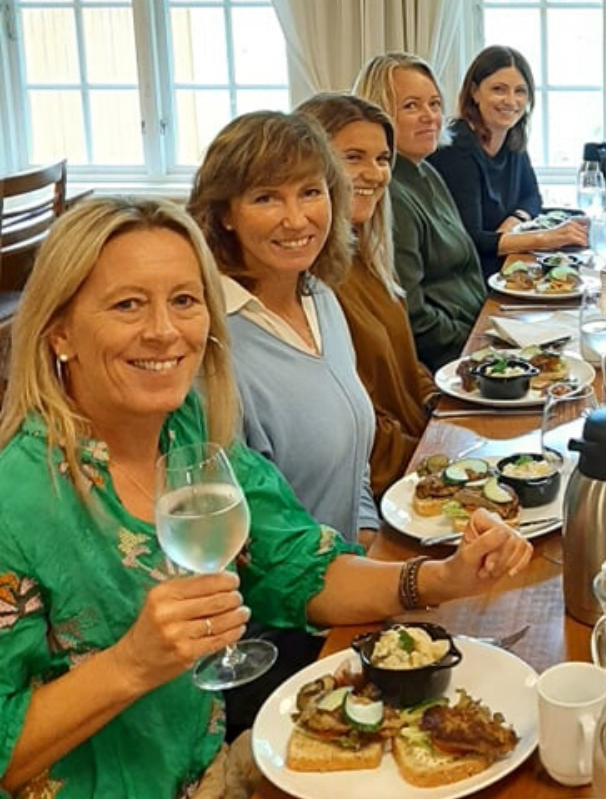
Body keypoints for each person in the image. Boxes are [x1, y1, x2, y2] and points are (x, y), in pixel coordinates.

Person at [0, 197, 533, 798]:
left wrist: (441, 578)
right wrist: (131, 664)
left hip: (211, 772)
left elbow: (296, 565)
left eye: (184, 300)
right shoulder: (15, 500)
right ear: (60, 332)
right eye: (128, 304)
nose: (165, 331)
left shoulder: (188, 429)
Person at [188, 110, 379, 547]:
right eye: (266, 198)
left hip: (354, 565)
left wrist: (369, 535)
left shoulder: (320, 297)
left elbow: (354, 461)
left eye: (310, 192)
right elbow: (243, 535)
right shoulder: (212, 345)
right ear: (225, 214)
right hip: (296, 586)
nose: (295, 219)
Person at [295, 92, 438, 496]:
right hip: (387, 484)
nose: (374, 174)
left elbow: (404, 362)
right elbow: (359, 430)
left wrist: (437, 403)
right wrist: (435, 459)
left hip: (417, 450)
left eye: (382, 159)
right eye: (353, 157)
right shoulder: (309, 278)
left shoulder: (365, 255)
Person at [353, 52, 487, 371]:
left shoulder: (426, 171)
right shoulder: (389, 194)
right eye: (411, 106)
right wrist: (479, 346)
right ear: (379, 115)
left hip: (479, 330)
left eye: (435, 104)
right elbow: (412, 317)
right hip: (451, 358)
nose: (430, 116)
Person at [428, 45, 588, 277]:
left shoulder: (511, 137)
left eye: (520, 91)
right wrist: (546, 237)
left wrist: (513, 222)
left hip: (504, 265)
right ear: (474, 92)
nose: (511, 101)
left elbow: (532, 197)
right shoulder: (457, 149)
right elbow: (471, 240)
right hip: (470, 278)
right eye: (499, 89)